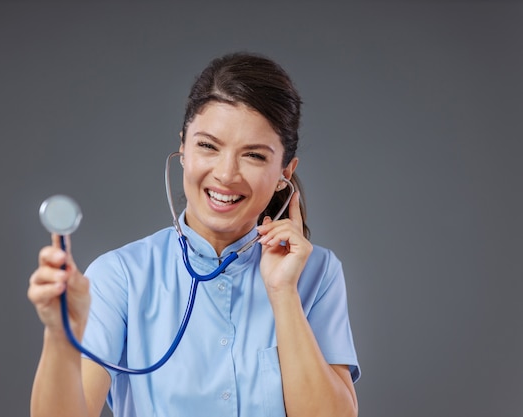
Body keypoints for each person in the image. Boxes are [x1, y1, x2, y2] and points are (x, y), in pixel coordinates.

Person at [28, 52, 360, 417]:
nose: (226, 174)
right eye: (208, 146)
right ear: (183, 148)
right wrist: (61, 337)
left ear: (285, 170)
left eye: (254, 155)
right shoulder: (120, 276)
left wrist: (284, 295)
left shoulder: (317, 273)